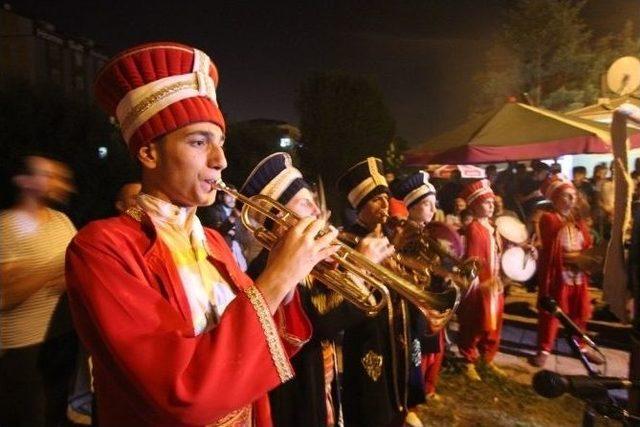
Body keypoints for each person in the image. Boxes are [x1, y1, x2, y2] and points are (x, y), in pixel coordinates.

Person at [65, 42, 339, 427]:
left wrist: (295, 274)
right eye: (198, 142)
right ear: (148, 153)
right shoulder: (100, 247)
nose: (220, 160)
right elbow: (177, 391)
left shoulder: (211, 242)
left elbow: (262, 350)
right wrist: (278, 276)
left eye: (220, 142)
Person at [243, 152, 393, 427]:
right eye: (305, 203)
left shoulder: (310, 261)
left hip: (318, 382)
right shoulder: (268, 266)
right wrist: (362, 272)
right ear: (277, 216)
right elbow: (319, 320)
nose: (316, 210)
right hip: (293, 395)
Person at [337, 157, 424, 427]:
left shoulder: (392, 234)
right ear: (361, 205)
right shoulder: (346, 239)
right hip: (367, 330)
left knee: (399, 376)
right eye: (377, 200)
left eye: (386, 198)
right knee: (371, 395)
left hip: (396, 324)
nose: (386, 205)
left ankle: (401, 411)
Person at [0, 154, 77, 427]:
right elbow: (7, 296)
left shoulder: (61, 221)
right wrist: (53, 267)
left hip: (63, 337)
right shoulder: (6, 226)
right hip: (23, 348)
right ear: (22, 181)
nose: (61, 182)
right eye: (48, 175)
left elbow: (74, 273)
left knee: (58, 413)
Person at [529, 175, 604, 367]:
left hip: (577, 274)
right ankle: (544, 348)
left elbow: (586, 243)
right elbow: (554, 244)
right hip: (558, 274)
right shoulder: (549, 218)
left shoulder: (578, 221)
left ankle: (581, 346)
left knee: (579, 311)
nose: (572, 200)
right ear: (555, 198)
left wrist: (587, 258)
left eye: (573, 196)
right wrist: (576, 257)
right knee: (552, 312)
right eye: (566, 196)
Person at [390, 171, 446, 402]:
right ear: (411, 207)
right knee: (415, 351)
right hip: (411, 305)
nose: (432, 210)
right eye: (426, 204)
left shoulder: (426, 233)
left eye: (434, 205)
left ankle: (425, 388)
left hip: (425, 302)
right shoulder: (403, 235)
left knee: (429, 349)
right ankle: (411, 397)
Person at [457, 179, 506, 381]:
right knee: (474, 321)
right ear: (475, 205)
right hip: (480, 285)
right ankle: (468, 359)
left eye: (492, 202)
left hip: (495, 283)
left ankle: (488, 357)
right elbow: (472, 261)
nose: (492, 205)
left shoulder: (494, 228)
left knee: (495, 322)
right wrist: (478, 284)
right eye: (487, 202)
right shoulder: (474, 229)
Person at [198, 184, 248, 271]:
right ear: (221, 197)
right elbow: (217, 233)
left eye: (235, 196)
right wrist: (231, 218)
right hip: (218, 248)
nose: (233, 199)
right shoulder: (213, 211)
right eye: (229, 196)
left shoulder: (235, 211)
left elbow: (241, 238)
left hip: (234, 248)